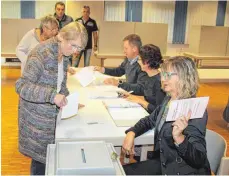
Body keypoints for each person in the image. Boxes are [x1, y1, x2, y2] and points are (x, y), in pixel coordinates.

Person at [15, 22, 88, 175]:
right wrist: (52, 96)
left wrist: (69, 100)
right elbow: (21, 86)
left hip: (51, 118)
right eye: (73, 46)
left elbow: (59, 83)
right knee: (40, 164)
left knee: (50, 159)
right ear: (61, 36)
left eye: (79, 49)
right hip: (36, 120)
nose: (75, 52)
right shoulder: (41, 53)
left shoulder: (64, 55)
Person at [122, 56, 211, 175]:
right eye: (163, 74)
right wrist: (131, 132)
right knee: (121, 171)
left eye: (168, 75)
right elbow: (150, 120)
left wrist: (180, 138)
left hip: (183, 171)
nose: (163, 79)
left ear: (184, 77)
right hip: (165, 163)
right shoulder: (169, 100)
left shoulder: (194, 109)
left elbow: (198, 159)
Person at [125, 44, 166, 114]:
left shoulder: (159, 82)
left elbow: (159, 112)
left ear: (147, 63)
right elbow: (149, 99)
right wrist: (131, 96)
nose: (138, 62)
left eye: (140, 59)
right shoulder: (148, 77)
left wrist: (141, 101)